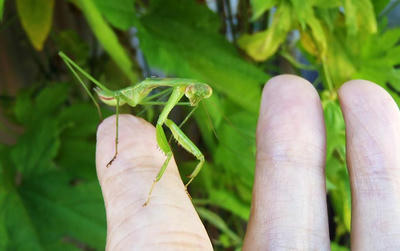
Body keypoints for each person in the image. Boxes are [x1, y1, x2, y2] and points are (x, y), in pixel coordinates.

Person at [95, 75, 400, 250]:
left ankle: (168, 184)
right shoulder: (160, 89)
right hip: (115, 97)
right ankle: (126, 157)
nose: (196, 98)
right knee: (144, 126)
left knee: (162, 131)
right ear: (187, 88)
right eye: (195, 93)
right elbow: (158, 115)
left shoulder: (174, 93)